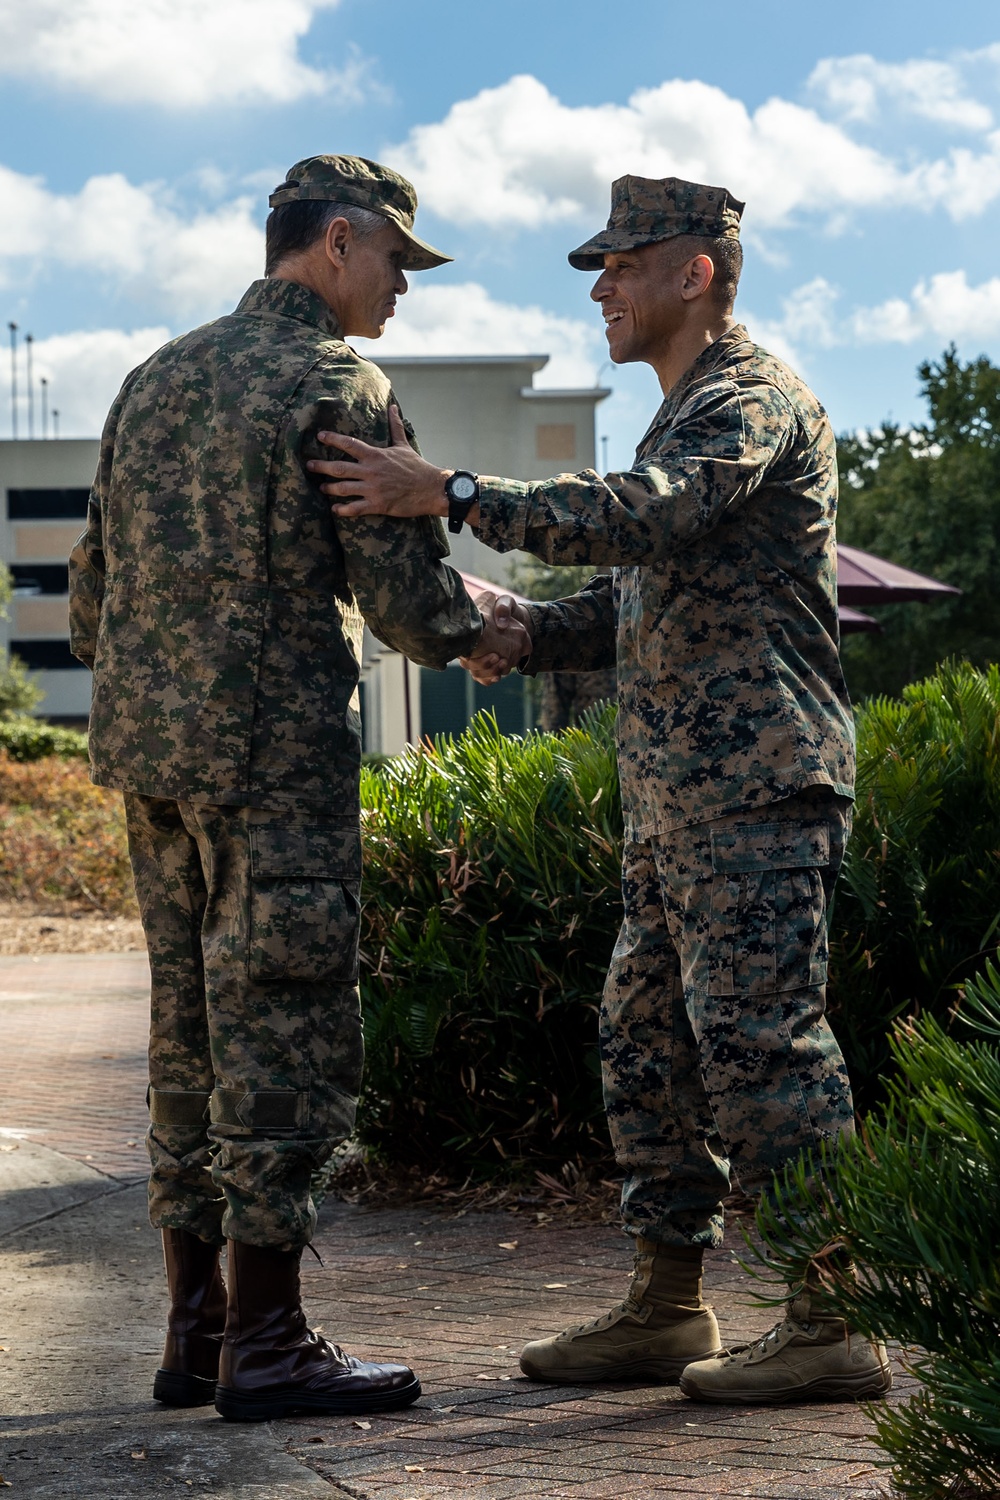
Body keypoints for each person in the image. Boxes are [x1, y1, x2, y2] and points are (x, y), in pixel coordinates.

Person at [304, 173, 893, 1405]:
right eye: (598, 268)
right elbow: (646, 603)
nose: (601, 288)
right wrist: (524, 634)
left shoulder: (749, 400)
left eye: (623, 265)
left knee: (762, 1045)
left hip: (759, 789)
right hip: (675, 795)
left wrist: (454, 494)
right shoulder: (680, 411)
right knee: (645, 1040)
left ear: (697, 272)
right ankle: (666, 1309)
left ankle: (833, 1315)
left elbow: (651, 519)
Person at [68, 153, 528, 1423]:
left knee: (187, 1037)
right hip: (272, 767)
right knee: (284, 1031)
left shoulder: (151, 380)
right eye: (394, 261)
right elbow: (404, 599)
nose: (400, 289)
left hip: (149, 763)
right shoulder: (337, 381)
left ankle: (196, 1334)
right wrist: (482, 629)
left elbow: (90, 604)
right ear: (336, 242)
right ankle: (267, 1345)